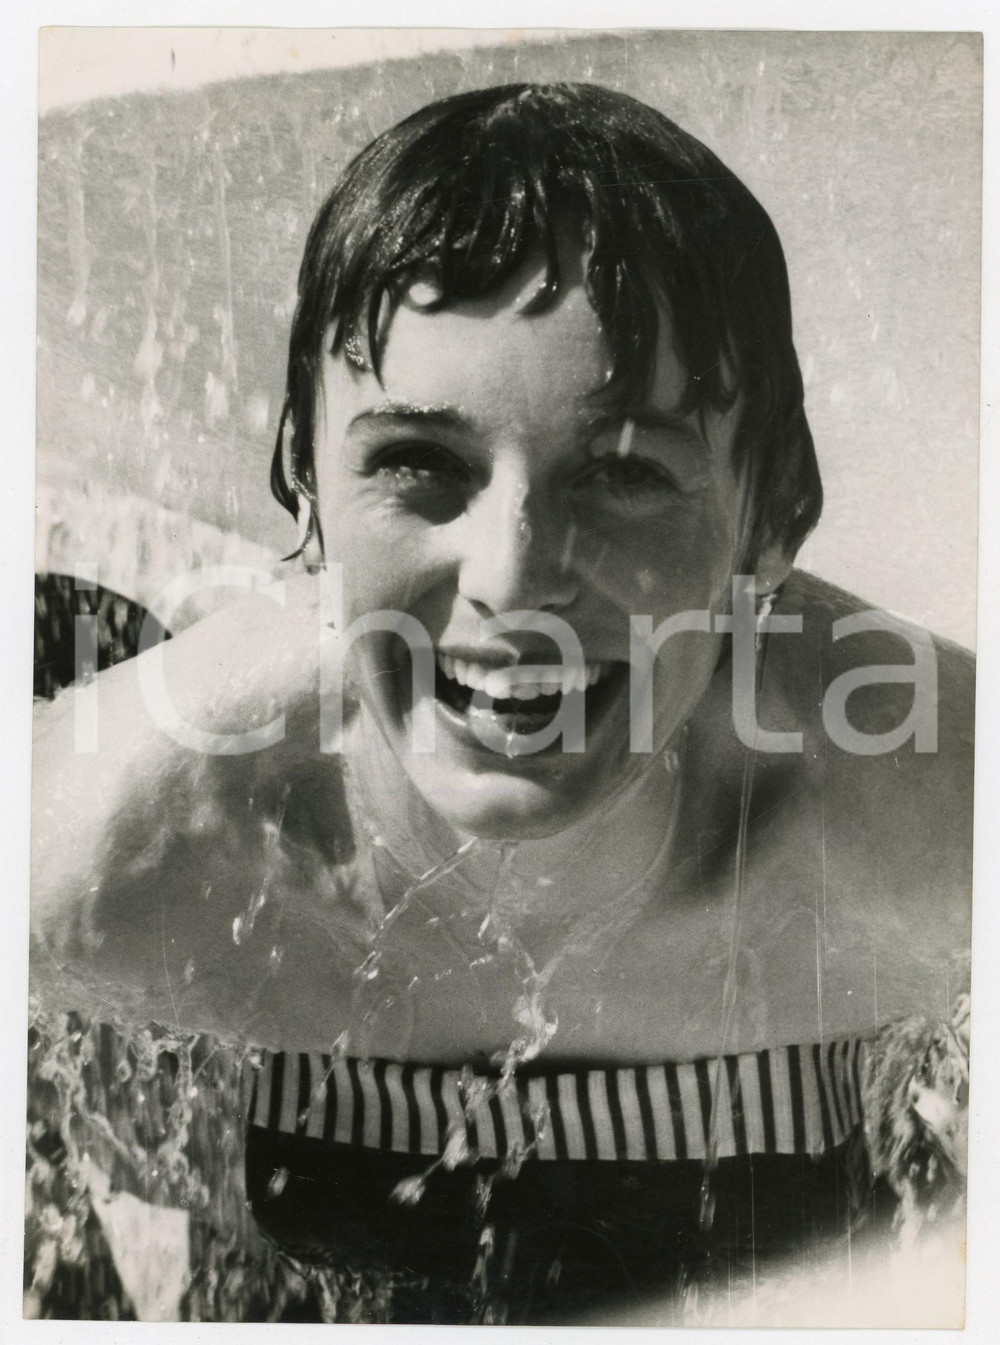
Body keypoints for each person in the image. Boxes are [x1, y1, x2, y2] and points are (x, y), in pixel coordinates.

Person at [29, 83, 973, 1324]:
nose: (516, 579)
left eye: (626, 471)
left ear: (774, 517)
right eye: (419, 464)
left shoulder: (936, 832)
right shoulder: (124, 853)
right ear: (304, 487)